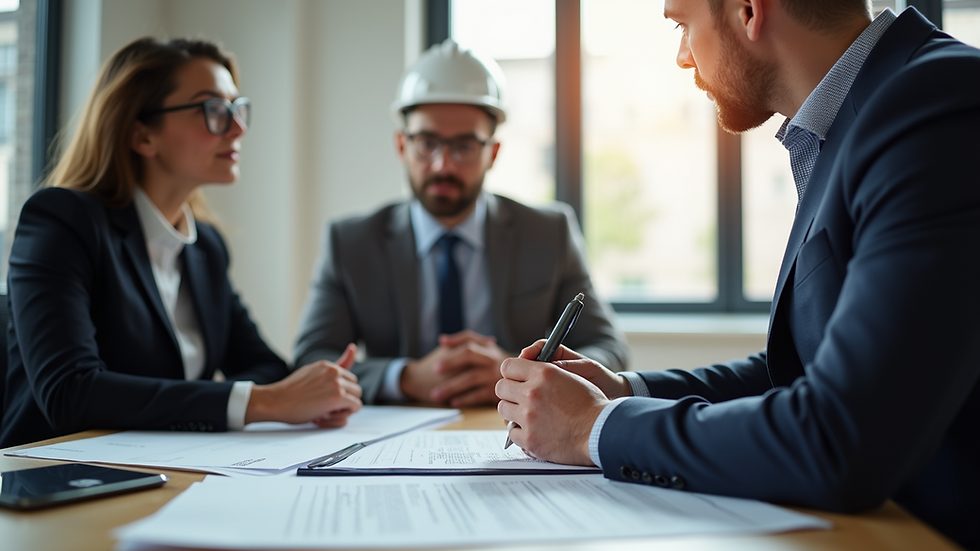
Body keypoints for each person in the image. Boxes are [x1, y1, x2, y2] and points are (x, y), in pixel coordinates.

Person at [495, 2, 980, 549]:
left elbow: (840, 437)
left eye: (682, 25)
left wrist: (593, 429)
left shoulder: (935, 106)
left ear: (748, 11)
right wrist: (624, 391)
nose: (682, 57)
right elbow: (805, 369)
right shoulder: (862, 115)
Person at [0, 37, 363, 449]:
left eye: (236, 108)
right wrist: (263, 402)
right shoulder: (62, 221)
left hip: (167, 467)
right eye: (213, 110)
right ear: (143, 136)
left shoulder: (205, 246)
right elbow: (70, 393)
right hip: (55, 478)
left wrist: (298, 395)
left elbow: (263, 365)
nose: (238, 127)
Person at [293, 39, 628, 407]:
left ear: (493, 153)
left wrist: (521, 374)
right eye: (427, 143)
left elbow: (608, 350)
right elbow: (311, 359)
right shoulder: (351, 242)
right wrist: (403, 378)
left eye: (465, 146)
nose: (443, 165)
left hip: (515, 431)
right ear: (402, 146)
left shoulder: (549, 233)